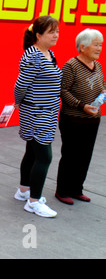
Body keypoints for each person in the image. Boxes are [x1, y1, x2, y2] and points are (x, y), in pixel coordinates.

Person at [13, 15, 61, 218]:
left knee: (32, 151)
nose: (56, 35)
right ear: (38, 35)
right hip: (36, 111)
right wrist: (17, 101)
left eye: (57, 31)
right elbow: (21, 84)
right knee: (44, 156)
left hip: (46, 111)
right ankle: (33, 202)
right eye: (51, 32)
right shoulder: (33, 55)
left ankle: (24, 191)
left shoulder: (49, 53)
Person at [55, 29, 105, 205]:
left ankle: (77, 189)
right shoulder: (71, 65)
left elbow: (101, 85)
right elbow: (63, 90)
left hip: (93, 120)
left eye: (101, 44)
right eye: (96, 44)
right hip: (73, 119)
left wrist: (102, 95)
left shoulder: (97, 65)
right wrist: (82, 105)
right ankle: (62, 190)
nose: (100, 48)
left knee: (85, 155)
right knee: (70, 154)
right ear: (82, 47)